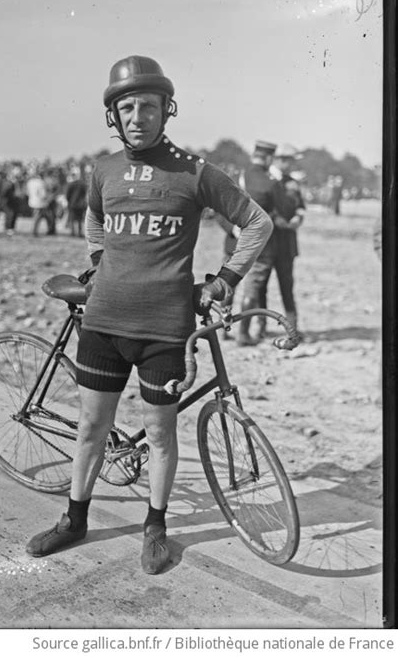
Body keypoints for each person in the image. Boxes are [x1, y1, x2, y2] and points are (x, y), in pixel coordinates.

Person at [26, 55, 273, 574]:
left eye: (148, 107)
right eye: (127, 108)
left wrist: (225, 279)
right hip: (103, 323)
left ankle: (155, 526)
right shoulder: (103, 171)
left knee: (160, 435)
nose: (138, 117)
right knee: (93, 426)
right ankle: (74, 519)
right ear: (114, 116)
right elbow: (94, 221)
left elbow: (257, 222)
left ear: (166, 111)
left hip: (165, 331)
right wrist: (100, 264)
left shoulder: (196, 171)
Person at [237, 140, 281, 345]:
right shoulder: (271, 182)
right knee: (253, 287)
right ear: (269, 158)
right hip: (261, 242)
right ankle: (244, 333)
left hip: (237, 238)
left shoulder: (239, 176)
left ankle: (223, 329)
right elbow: (276, 211)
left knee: (230, 282)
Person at [270, 143, 306, 335]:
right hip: (268, 243)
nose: (292, 165)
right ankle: (258, 328)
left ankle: (292, 329)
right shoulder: (265, 180)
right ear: (281, 160)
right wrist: (279, 221)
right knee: (260, 288)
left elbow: (301, 206)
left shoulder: (293, 183)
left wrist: (297, 219)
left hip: (287, 244)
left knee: (287, 287)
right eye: (291, 160)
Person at [65, 169, 88, 237]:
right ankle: (79, 233)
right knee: (80, 219)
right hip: (81, 204)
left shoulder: (71, 184)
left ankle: (73, 232)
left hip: (72, 203)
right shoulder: (83, 184)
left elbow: (67, 195)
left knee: (72, 219)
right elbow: (85, 194)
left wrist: (69, 201)